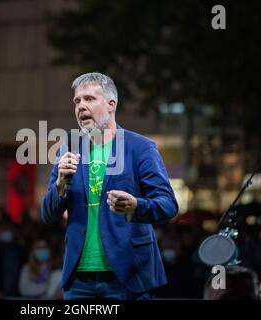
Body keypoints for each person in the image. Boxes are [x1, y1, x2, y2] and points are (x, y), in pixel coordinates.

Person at [41, 72, 178, 300]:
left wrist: (136, 205)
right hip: (78, 281)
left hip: (128, 277)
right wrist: (59, 186)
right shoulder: (70, 148)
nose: (81, 106)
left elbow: (168, 205)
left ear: (111, 104)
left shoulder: (140, 147)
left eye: (89, 99)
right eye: (77, 101)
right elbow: (47, 215)